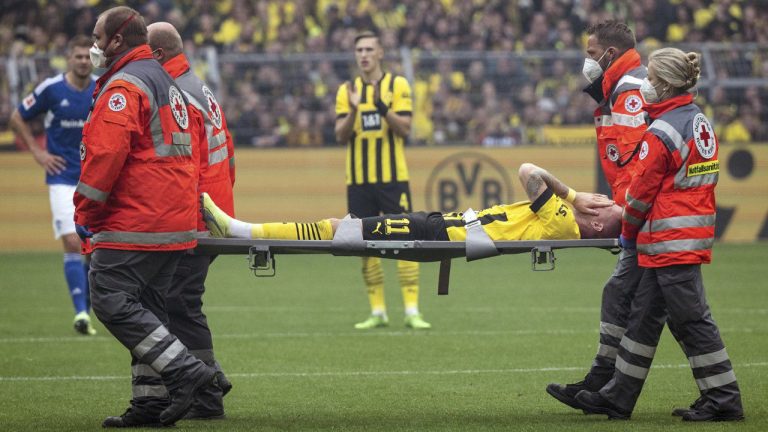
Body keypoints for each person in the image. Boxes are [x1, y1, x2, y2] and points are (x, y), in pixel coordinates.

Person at [574, 48, 744, 422]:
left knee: (692, 321)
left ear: (665, 84)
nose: (646, 85)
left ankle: (724, 397)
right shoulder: (698, 122)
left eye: (651, 79)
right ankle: (617, 397)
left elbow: (638, 196)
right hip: (686, 235)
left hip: (668, 241)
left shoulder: (661, 131)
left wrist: (628, 234)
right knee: (643, 319)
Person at [74, 6, 219, 427]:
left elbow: (106, 155)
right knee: (150, 311)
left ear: (118, 39)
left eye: (99, 37)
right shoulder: (164, 80)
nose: (95, 45)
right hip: (172, 219)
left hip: (138, 219)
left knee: (109, 297)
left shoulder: (125, 84)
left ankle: (187, 371)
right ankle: (151, 402)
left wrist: (85, 209)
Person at [546, 20, 650, 411]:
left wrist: (626, 213)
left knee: (654, 307)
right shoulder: (616, 91)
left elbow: (642, 162)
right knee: (635, 303)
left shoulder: (631, 92)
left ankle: (606, 386)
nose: (586, 62)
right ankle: (608, 389)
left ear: (609, 53)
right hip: (641, 218)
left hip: (646, 220)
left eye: (590, 54)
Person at [147, 21, 235, 420]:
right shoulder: (198, 87)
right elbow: (227, 153)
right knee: (179, 301)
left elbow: (183, 167)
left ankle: (207, 389)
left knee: (178, 301)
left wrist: (193, 215)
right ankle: (204, 387)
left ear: (157, 55)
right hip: (212, 211)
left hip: (196, 217)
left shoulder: (176, 92)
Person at [201, 163, 620, 243]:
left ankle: (241, 230)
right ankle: (242, 228)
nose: (597, 201)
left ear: (598, 225)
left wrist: (574, 195)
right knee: (343, 227)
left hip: (440, 233)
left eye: (603, 206)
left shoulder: (563, 219)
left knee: (341, 228)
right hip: (443, 226)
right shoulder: (561, 221)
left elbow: (529, 170)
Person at [334, 31, 429, 330]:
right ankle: (378, 311)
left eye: (368, 49)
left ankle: (412, 310)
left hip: (393, 179)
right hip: (359, 181)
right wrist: (352, 109)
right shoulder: (346, 89)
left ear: (380, 53)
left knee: (407, 237)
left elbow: (404, 129)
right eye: (359, 49)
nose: (363, 54)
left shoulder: (397, 85)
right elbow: (340, 135)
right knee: (362, 241)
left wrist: (380, 106)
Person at [9, 35, 97, 335]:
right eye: (78, 56)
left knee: (95, 247)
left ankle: (89, 302)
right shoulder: (51, 89)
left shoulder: (102, 88)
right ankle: (82, 313)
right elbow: (17, 117)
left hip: (96, 179)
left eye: (88, 56)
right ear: (68, 58)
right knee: (73, 241)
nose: (83, 61)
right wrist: (38, 151)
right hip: (62, 176)